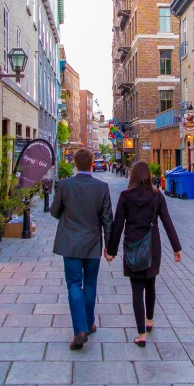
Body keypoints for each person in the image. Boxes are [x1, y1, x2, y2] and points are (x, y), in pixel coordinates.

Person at [106, 161, 182, 347]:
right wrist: (176, 248)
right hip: (152, 245)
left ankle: (141, 334)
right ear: (148, 176)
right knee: (151, 283)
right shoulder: (157, 197)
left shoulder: (125, 196)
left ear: (132, 176)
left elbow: (118, 225)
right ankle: (149, 321)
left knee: (137, 289)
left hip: (133, 245)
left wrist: (111, 250)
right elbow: (167, 222)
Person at [50, 148, 113, 350]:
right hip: (93, 244)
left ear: (75, 164)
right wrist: (109, 247)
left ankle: (80, 330)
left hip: (70, 244)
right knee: (91, 284)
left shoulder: (65, 185)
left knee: (74, 285)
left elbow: (54, 212)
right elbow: (108, 220)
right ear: (92, 163)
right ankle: (88, 324)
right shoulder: (102, 188)